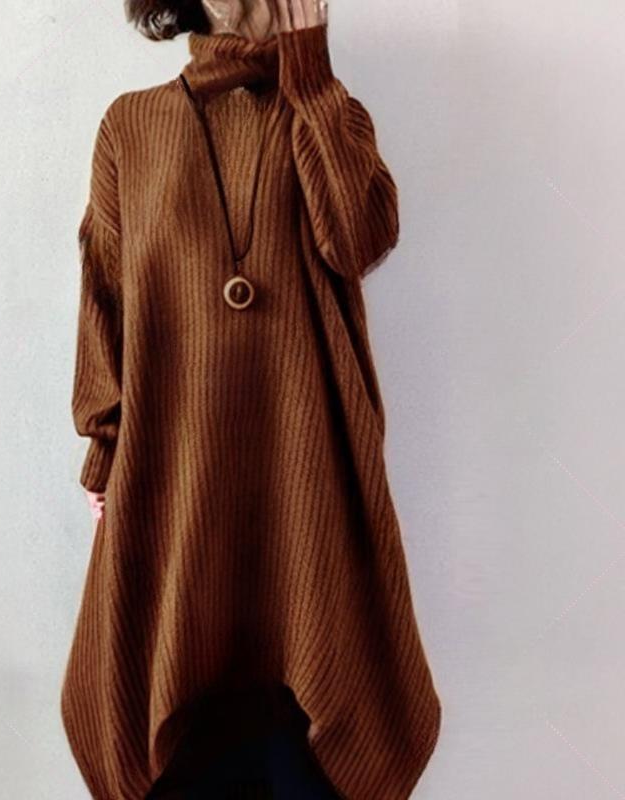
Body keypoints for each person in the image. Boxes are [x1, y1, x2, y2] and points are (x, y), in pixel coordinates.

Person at [61, 0, 442, 797]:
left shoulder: (328, 114)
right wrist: (103, 449)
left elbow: (360, 238)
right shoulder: (131, 127)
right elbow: (106, 296)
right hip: (175, 485)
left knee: (308, 746)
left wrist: (311, 73)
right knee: (179, 740)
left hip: (306, 488)